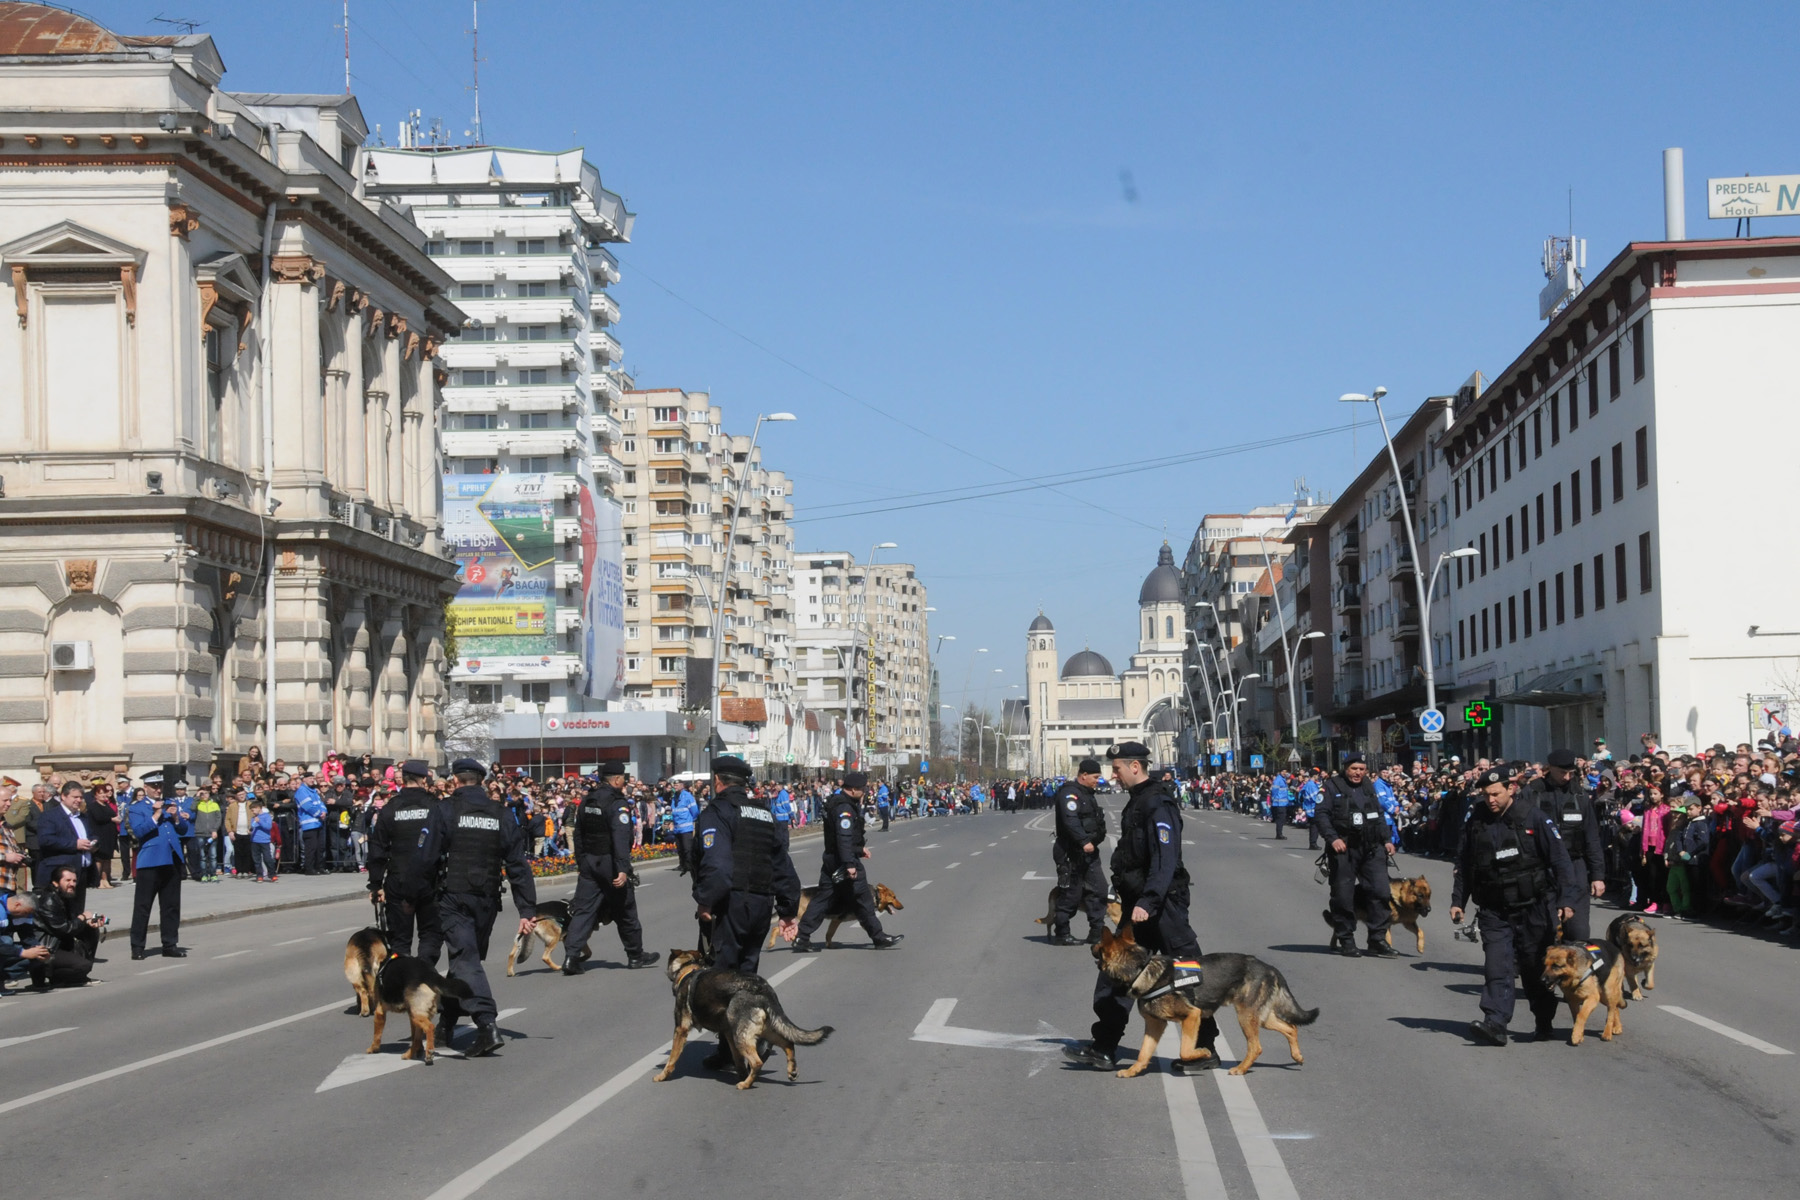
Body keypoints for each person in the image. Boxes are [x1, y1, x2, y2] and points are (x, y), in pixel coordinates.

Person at [1065, 742, 1219, 1073]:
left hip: (1164, 906)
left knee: (1188, 974)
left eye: (1117, 769)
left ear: (1135, 766)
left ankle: (1205, 1048)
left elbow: (1165, 859)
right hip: (1140, 905)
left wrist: (1149, 901)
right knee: (1116, 973)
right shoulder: (1138, 801)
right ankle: (1104, 1047)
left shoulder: (1158, 803)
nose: (1114, 776)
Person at [1451, 767, 1577, 1046]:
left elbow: (1560, 860)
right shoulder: (1476, 821)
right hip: (1494, 909)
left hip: (1533, 906)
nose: (1490, 800)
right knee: (1497, 966)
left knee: (1534, 969)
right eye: (1486, 795)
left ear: (1511, 788)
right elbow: (1465, 864)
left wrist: (1567, 900)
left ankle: (1544, 1021)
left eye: (1496, 794)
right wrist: (1458, 900)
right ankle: (1495, 1023)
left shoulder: (1534, 817)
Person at [432, 759, 538, 1058]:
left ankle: (487, 1024)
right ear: (481, 781)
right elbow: (517, 863)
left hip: (453, 896)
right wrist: (526, 909)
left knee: (465, 960)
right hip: (487, 899)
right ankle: (446, 1025)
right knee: (464, 960)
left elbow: (427, 855)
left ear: (455, 781)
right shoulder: (500, 813)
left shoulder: (445, 810)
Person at [692, 755, 803, 974]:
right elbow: (782, 865)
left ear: (717, 780)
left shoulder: (718, 812)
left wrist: (706, 901)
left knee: (718, 977)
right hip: (761, 906)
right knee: (747, 975)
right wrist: (788, 911)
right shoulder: (764, 814)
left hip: (730, 904)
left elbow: (718, 865)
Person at [562, 766, 657, 974]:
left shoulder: (588, 800)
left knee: (583, 911)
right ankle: (635, 956)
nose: (624, 782)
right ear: (616, 780)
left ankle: (571, 957)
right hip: (610, 864)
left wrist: (582, 862)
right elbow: (620, 837)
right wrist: (622, 868)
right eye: (623, 779)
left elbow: (578, 834)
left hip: (589, 862)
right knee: (625, 911)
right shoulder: (617, 803)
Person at [794, 771, 901, 953]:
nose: (864, 792)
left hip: (833, 859)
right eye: (862, 789)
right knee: (863, 899)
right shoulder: (844, 808)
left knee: (822, 899)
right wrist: (850, 864)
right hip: (843, 861)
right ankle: (879, 937)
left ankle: (802, 937)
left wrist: (859, 849)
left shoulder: (839, 803)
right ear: (852, 790)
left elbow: (841, 839)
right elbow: (843, 837)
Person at [1313, 755, 1398, 958]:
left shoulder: (1368, 786)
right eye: (1354, 768)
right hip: (1344, 849)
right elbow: (1321, 815)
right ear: (1345, 768)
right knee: (1343, 896)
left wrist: (1387, 839)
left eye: (1361, 769)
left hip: (1371, 848)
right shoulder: (1332, 786)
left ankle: (1377, 939)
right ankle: (1347, 940)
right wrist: (1333, 838)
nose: (1358, 772)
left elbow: (1378, 814)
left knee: (1380, 891)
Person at [1520, 748, 1606, 940]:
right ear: (1550, 768)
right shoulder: (1532, 793)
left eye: (1571, 773)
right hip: (1542, 868)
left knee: (1578, 931)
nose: (1567, 777)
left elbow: (1592, 837)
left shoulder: (1580, 796)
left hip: (1574, 866)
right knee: (1544, 930)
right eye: (1562, 772)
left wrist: (1598, 875)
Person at [365, 760, 446, 959]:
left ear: (403, 780)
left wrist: (376, 884)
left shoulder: (391, 808)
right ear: (423, 780)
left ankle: (402, 975)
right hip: (430, 879)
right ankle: (424, 972)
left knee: (399, 941)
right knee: (430, 935)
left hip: (399, 880)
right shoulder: (435, 806)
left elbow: (378, 848)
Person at [125, 769, 189, 959]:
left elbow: (183, 830)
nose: (158, 790)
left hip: (171, 859)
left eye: (160, 786)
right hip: (151, 861)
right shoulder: (137, 808)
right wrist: (156, 814)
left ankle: (170, 944)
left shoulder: (170, 803)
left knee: (171, 906)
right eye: (154, 786)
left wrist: (176, 817)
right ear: (145, 787)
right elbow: (138, 832)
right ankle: (137, 946)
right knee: (143, 906)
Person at [1048, 759, 1109, 946]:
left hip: (1088, 853)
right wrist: (1083, 841)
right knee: (1071, 894)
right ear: (1084, 775)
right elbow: (1070, 820)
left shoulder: (1087, 794)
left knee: (1099, 889)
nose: (1097, 781)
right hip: (1071, 852)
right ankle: (1062, 932)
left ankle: (1096, 932)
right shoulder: (1070, 794)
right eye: (1095, 777)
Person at [33, 865, 102, 987]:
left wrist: (89, 923)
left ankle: (72, 974)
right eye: (68, 880)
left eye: (74, 881)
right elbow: (65, 929)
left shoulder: (65, 897)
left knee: (91, 931)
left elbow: (73, 922)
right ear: (55, 883)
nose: (72, 884)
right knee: (83, 966)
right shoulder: (49, 900)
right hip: (49, 947)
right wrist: (82, 918)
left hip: (62, 943)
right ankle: (52, 975)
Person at [35, 779, 95, 905]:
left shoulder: (83, 817)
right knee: (60, 910)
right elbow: (46, 840)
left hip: (81, 872)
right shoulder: (50, 816)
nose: (79, 800)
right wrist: (75, 844)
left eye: (81, 797)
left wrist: (94, 843)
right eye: (75, 797)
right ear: (63, 796)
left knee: (78, 910)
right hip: (61, 873)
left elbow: (92, 835)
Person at [294, 772, 326, 875]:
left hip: (318, 823)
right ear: (304, 779)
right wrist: (319, 814)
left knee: (320, 847)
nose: (312, 780)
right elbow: (307, 806)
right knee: (311, 848)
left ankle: (319, 867)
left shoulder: (314, 791)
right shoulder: (301, 791)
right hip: (309, 824)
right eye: (310, 778)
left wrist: (324, 812)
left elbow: (321, 803)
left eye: (313, 778)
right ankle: (310, 868)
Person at [671, 782, 700, 876]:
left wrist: (692, 820)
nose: (675, 786)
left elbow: (694, 811)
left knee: (687, 848)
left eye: (677, 785)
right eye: (674, 785)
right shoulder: (674, 797)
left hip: (686, 827)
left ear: (682, 786)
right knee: (680, 848)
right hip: (677, 827)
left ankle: (689, 865)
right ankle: (682, 864)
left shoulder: (687, 796)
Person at [1269, 771, 1293, 840]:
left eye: (1286, 771)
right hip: (1279, 803)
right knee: (1280, 819)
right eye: (1284, 771)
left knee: (1282, 819)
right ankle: (1279, 834)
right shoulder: (1278, 780)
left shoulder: (1283, 779)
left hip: (1283, 803)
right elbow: (1274, 791)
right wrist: (1274, 800)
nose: (1285, 773)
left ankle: (1279, 834)